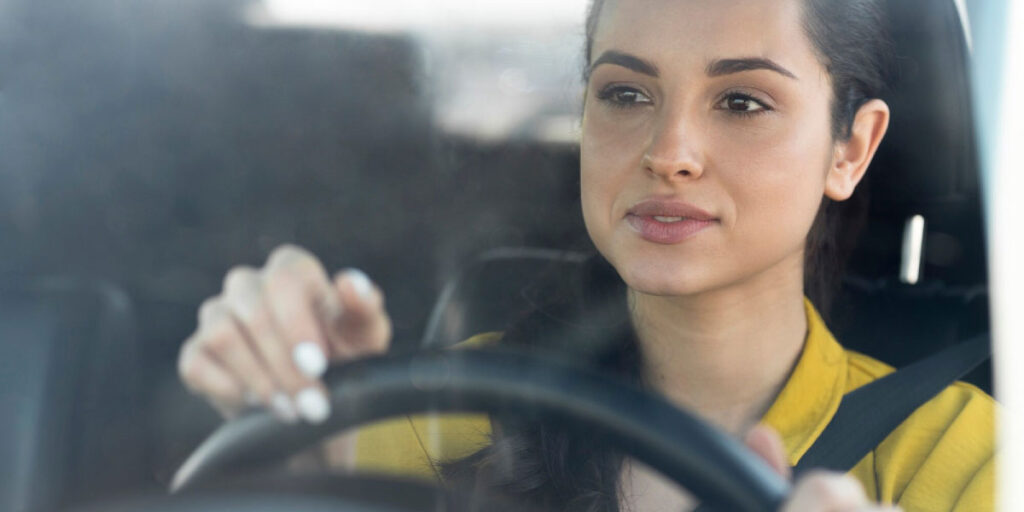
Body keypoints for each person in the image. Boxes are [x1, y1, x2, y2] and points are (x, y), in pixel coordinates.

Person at [176, 0, 996, 510]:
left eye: (742, 101)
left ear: (851, 148)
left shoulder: (967, 465)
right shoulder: (436, 414)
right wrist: (309, 436)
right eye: (626, 94)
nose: (668, 151)